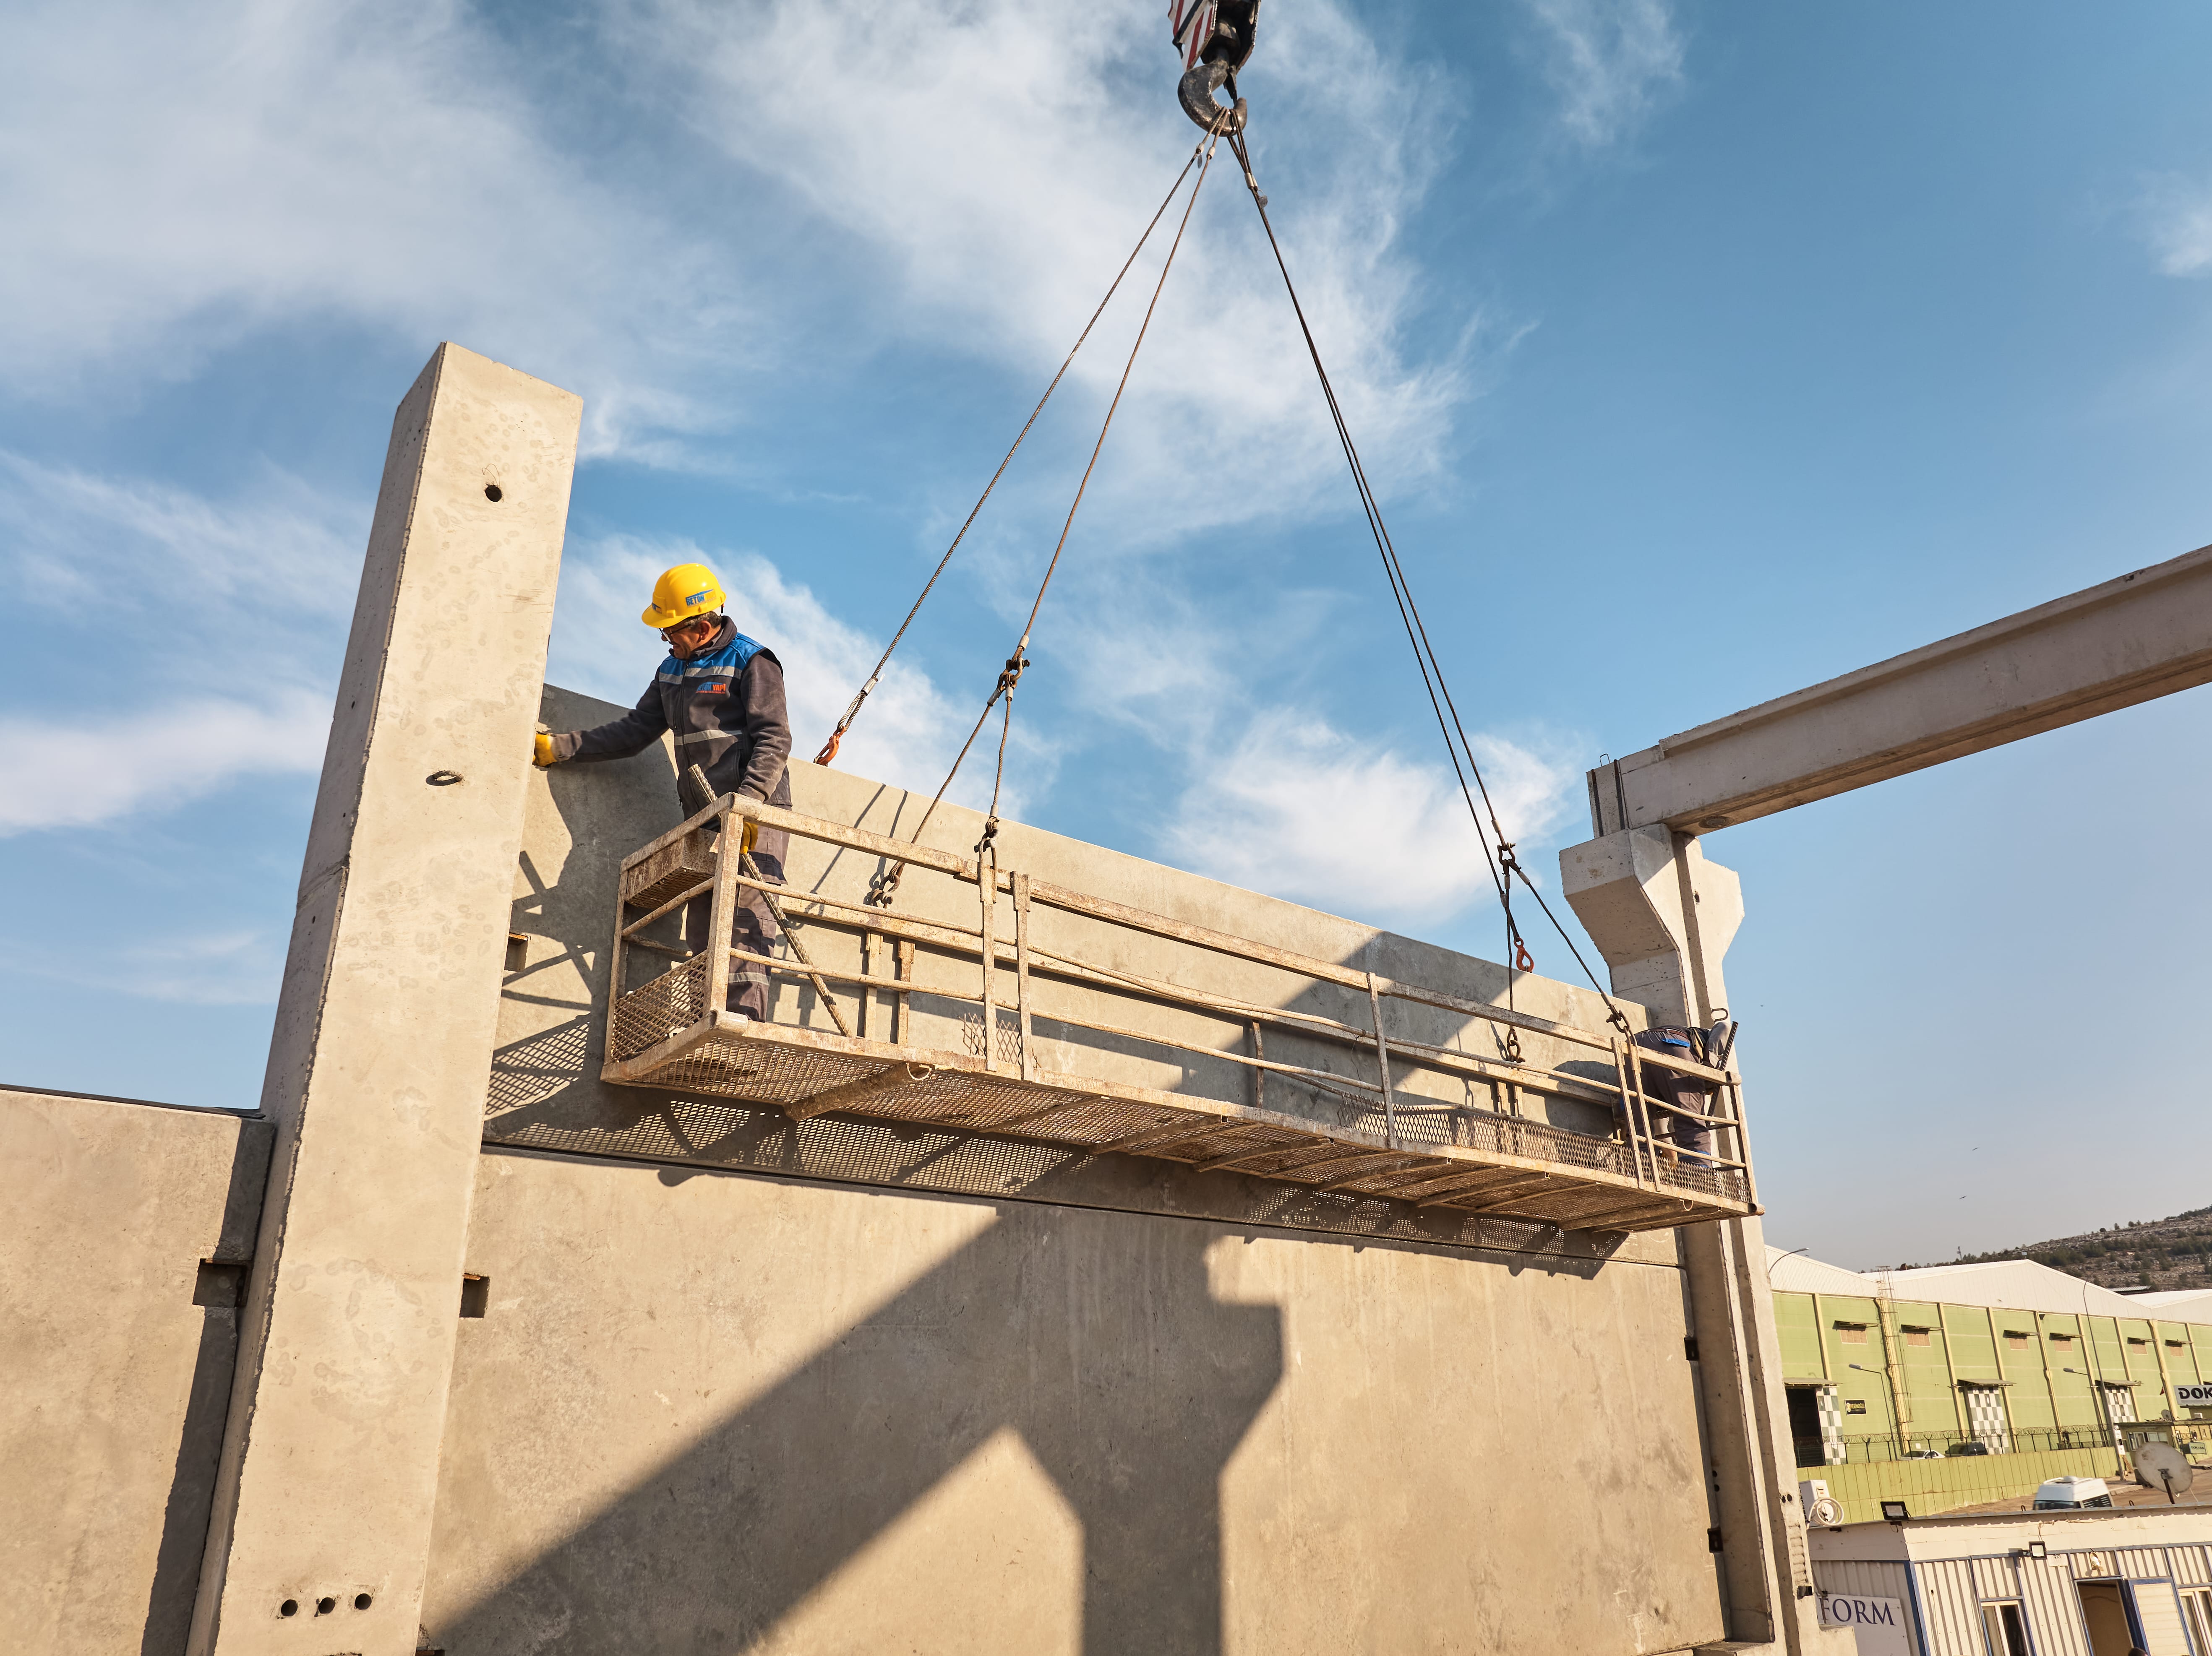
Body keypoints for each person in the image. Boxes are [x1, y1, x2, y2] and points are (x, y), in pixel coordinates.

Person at [533, 562, 792, 1020]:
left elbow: (775, 739)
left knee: (744, 922)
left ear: (702, 626)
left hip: (756, 815)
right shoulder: (671, 670)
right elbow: (635, 731)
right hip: (704, 816)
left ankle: (740, 1029)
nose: (666, 640)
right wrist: (562, 747)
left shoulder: (752, 661)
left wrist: (749, 807)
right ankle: (704, 1023)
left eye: (671, 630)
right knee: (702, 928)